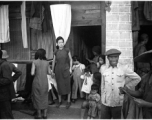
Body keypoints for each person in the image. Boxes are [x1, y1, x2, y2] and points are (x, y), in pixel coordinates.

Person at [99, 48, 141, 119]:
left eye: (116, 57)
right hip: (105, 102)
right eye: (111, 57)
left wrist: (126, 87)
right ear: (108, 58)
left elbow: (137, 78)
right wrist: (102, 98)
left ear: (118, 57)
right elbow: (102, 84)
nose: (114, 59)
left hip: (118, 102)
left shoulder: (124, 68)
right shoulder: (103, 68)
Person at [120, 50, 152, 119]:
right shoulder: (147, 77)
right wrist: (127, 91)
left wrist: (146, 104)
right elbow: (140, 92)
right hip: (146, 113)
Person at [0, 50, 22, 119]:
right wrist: (12, 79)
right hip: (5, 91)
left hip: (4, 92)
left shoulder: (5, 65)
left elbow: (7, 80)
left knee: (6, 113)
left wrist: (11, 80)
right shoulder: (9, 64)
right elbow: (19, 72)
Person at [52, 36, 72, 109]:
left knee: (67, 85)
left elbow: (71, 59)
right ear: (57, 43)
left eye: (62, 42)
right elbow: (54, 61)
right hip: (58, 70)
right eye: (59, 42)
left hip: (66, 69)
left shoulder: (67, 50)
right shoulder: (56, 51)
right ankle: (59, 101)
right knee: (59, 85)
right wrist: (52, 71)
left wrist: (70, 68)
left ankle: (68, 101)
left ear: (64, 43)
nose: (61, 44)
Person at [31, 48, 52, 119]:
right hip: (45, 82)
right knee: (45, 97)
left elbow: (32, 73)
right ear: (44, 54)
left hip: (36, 82)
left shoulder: (34, 62)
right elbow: (49, 72)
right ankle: (45, 115)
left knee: (37, 97)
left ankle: (39, 115)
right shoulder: (47, 62)